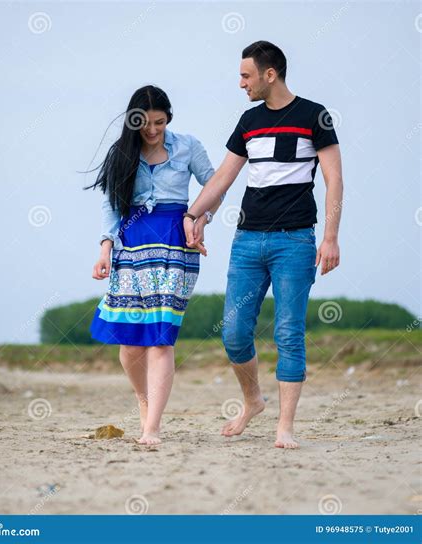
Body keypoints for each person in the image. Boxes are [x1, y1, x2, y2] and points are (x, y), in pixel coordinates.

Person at [183, 41, 343, 449]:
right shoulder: (248, 121)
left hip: (296, 241)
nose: (241, 84)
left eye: (246, 76)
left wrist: (330, 237)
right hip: (247, 241)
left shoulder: (314, 116)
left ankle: (284, 428)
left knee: (289, 333)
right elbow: (222, 178)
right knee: (235, 332)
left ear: (269, 74)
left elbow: (334, 181)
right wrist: (193, 215)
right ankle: (253, 400)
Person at [86, 85, 222, 445]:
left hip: (176, 244)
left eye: (159, 123)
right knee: (131, 342)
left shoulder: (188, 146)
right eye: (145, 124)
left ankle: (152, 426)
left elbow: (216, 185)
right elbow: (111, 205)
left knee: (161, 337)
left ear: (169, 118)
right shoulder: (122, 153)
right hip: (130, 245)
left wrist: (201, 218)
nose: (152, 130)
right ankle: (143, 400)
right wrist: (105, 248)